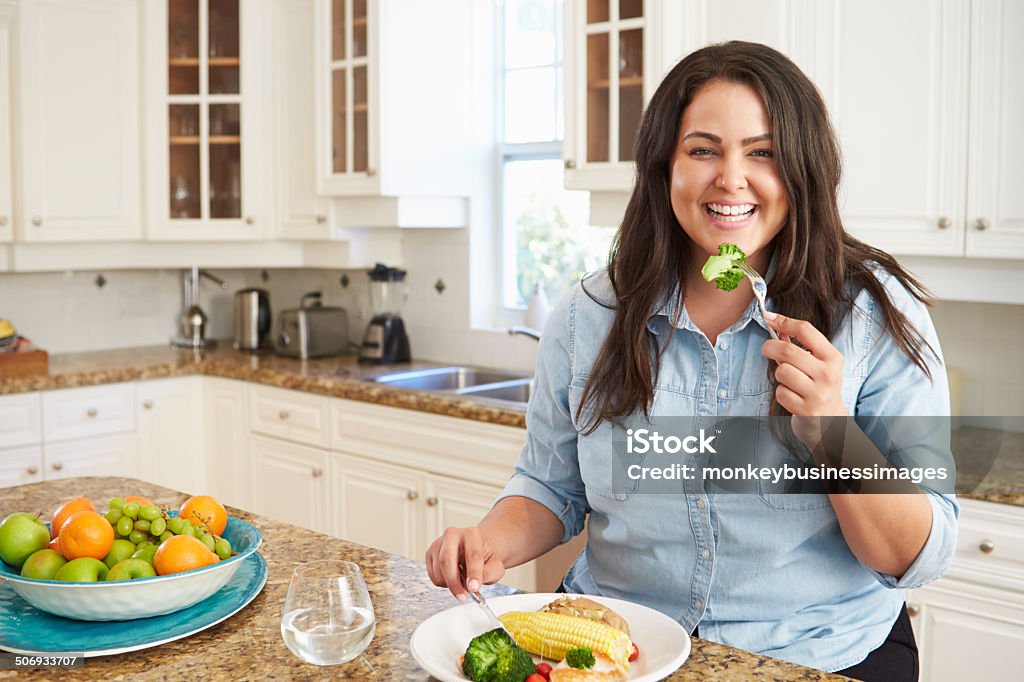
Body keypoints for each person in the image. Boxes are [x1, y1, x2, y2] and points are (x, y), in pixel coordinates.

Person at [425, 41, 956, 681]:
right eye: (703, 149)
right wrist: (490, 542)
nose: (730, 178)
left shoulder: (873, 315)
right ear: (664, 167)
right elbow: (550, 487)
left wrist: (830, 428)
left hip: (818, 653)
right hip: (617, 646)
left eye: (762, 152)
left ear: (803, 170)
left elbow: (913, 557)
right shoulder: (588, 314)